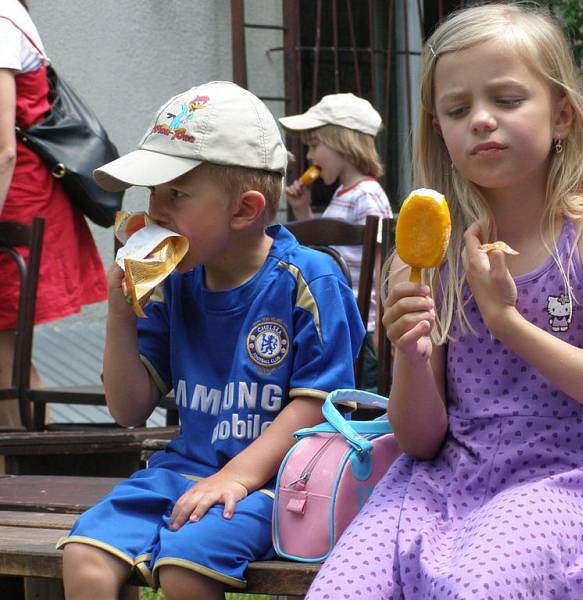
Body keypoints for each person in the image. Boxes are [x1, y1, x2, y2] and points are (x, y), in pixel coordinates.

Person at [307, 4, 583, 599]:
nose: (482, 121)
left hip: (560, 482)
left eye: (508, 99)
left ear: (562, 115)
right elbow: (418, 440)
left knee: (477, 588)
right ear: (437, 127)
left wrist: (506, 321)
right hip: (438, 482)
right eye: (458, 108)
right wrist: (410, 356)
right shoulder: (432, 253)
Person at [57, 81, 365, 600]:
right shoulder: (174, 281)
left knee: (184, 566)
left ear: (243, 210)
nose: (155, 212)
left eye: (175, 194)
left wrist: (237, 477)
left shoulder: (307, 280)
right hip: (182, 471)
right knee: (86, 559)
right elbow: (128, 409)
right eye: (152, 194)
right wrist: (120, 312)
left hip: (279, 485)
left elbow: (318, 408)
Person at [0, 0, 106, 428]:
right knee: (8, 355)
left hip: (15, 198)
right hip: (19, 194)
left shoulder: (2, 20)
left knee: (7, 355)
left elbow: (3, 150)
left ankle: (18, 469)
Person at [279, 93, 393, 391]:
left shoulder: (366, 194)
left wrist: (383, 328)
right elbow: (322, 252)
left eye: (316, 145)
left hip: (363, 330)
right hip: (336, 322)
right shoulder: (342, 194)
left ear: (344, 143)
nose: (309, 157)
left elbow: (382, 266)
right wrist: (302, 211)